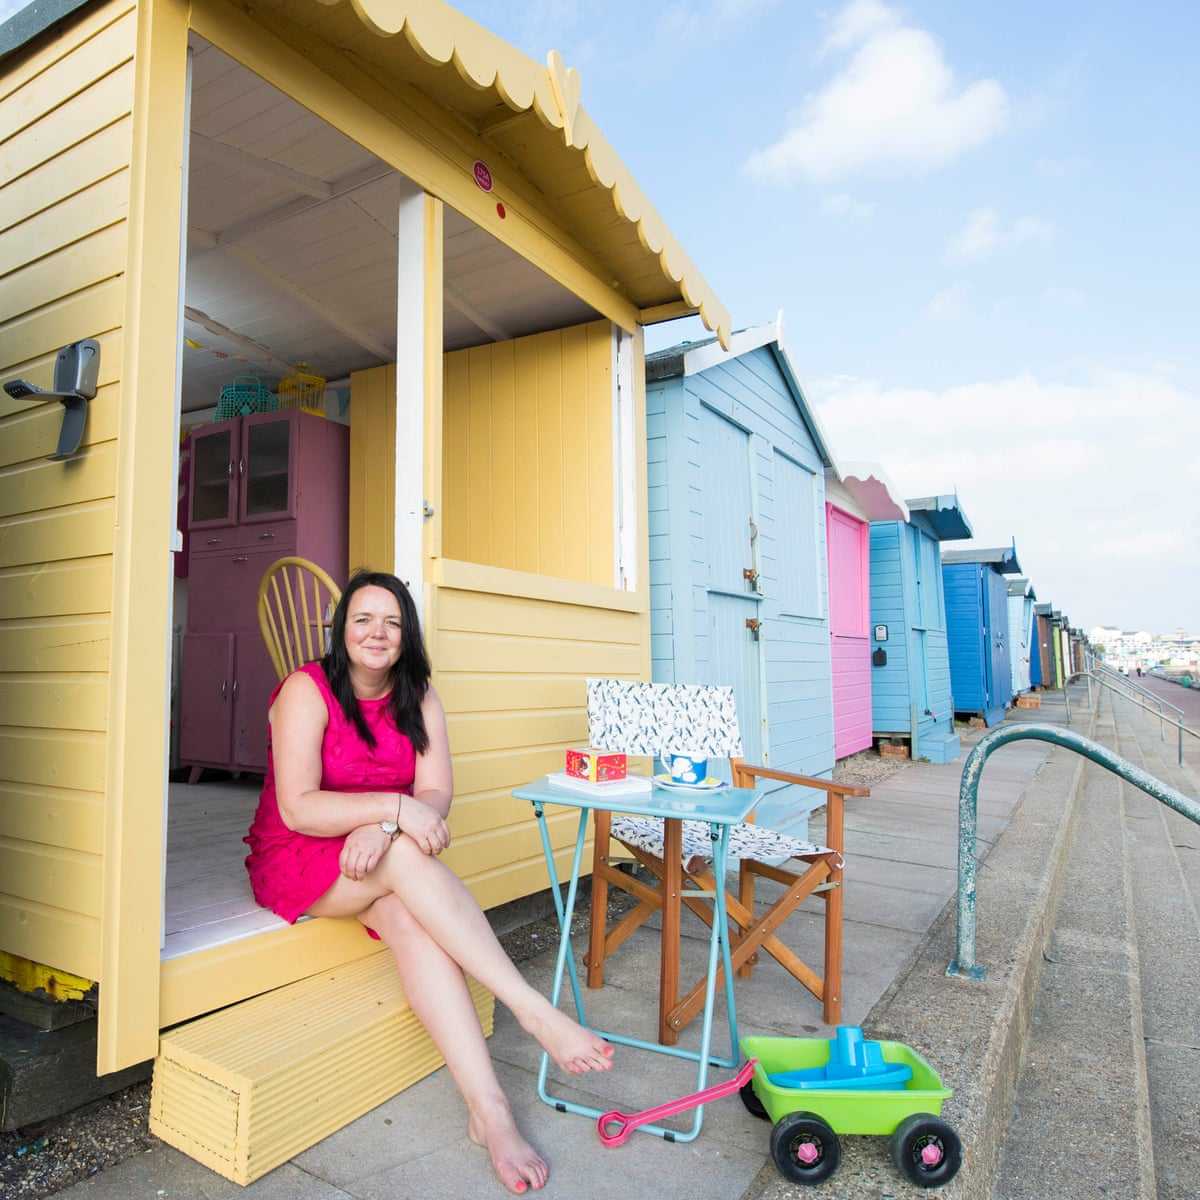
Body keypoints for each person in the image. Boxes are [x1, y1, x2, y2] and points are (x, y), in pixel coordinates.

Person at [245, 570, 612, 1194]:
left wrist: (387, 827)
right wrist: (391, 812)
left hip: (375, 850)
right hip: (299, 854)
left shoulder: (419, 696)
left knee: (411, 917)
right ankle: (531, 1009)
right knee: (410, 866)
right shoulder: (307, 691)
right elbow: (299, 808)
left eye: (391, 621)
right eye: (362, 619)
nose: (376, 633)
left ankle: (488, 1112)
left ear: (406, 633)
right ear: (342, 630)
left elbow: (435, 793)